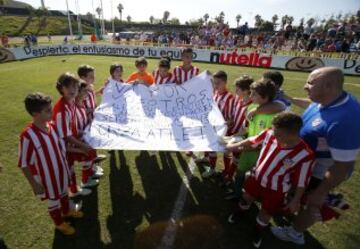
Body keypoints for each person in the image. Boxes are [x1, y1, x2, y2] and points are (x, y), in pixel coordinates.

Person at [271, 67, 360, 245]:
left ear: (328, 86)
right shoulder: (328, 99)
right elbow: (312, 105)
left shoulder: (346, 119)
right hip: (305, 164)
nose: (305, 86)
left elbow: (342, 165)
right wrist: (290, 98)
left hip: (320, 173)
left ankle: (295, 233)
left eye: (311, 82)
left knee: (312, 203)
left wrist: (321, 191)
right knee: (298, 193)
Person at [226, 112, 314, 248]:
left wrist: (296, 199)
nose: (274, 135)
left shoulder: (305, 154)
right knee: (246, 197)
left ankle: (258, 230)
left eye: (278, 134)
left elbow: (302, 181)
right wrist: (232, 147)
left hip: (276, 189)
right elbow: (252, 141)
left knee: (266, 212)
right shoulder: (270, 133)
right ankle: (240, 213)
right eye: (274, 131)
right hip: (256, 178)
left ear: (293, 134)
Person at [19, 93, 83, 235]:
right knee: (54, 200)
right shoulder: (28, 136)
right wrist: (34, 184)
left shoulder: (52, 126)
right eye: (47, 110)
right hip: (48, 178)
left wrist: (80, 148)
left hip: (62, 170)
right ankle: (59, 223)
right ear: (35, 114)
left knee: (64, 193)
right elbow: (24, 163)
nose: (52, 112)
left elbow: (62, 147)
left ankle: (66, 211)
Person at [228, 79, 281, 200]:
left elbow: (267, 141)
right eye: (250, 92)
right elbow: (246, 129)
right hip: (248, 150)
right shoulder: (252, 107)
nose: (250, 96)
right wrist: (232, 138)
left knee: (253, 179)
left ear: (265, 96)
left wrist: (237, 146)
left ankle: (247, 201)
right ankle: (236, 194)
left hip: (261, 154)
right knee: (240, 173)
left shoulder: (274, 116)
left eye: (254, 94)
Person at [52, 73, 99, 191]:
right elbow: (65, 136)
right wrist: (82, 146)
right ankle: (74, 191)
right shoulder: (62, 110)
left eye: (75, 86)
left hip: (70, 143)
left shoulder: (71, 101)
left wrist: (80, 134)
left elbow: (71, 126)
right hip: (61, 147)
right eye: (68, 87)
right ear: (61, 88)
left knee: (78, 161)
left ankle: (78, 186)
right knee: (69, 169)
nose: (72, 90)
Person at [198, 71, 236, 179]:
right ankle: (209, 162)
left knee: (221, 150)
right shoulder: (215, 93)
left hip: (222, 129)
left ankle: (220, 170)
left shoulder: (230, 98)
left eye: (218, 83)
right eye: (214, 83)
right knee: (209, 146)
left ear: (225, 82)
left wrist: (224, 124)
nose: (215, 85)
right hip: (212, 125)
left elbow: (231, 118)